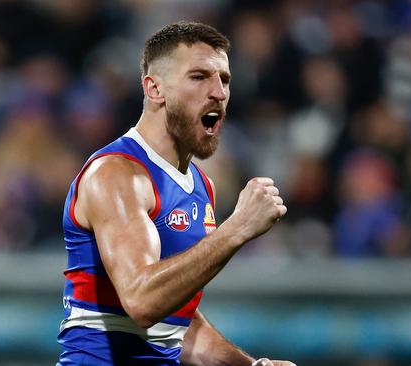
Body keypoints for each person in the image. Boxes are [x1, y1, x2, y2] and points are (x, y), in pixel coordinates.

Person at [58, 21, 293, 366]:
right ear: (154, 89)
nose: (219, 92)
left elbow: (178, 324)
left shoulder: (200, 186)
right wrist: (237, 228)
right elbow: (142, 301)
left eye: (224, 79)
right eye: (199, 77)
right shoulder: (116, 175)